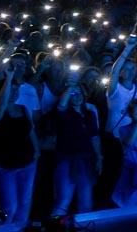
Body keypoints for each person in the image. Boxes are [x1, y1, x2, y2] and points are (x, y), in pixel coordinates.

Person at [0, 67, 40, 232]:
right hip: (5, 166)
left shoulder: (23, 109)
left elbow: (30, 130)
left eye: (16, 90)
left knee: (25, 203)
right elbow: (1, 104)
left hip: (27, 162)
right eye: (10, 90)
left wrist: (36, 150)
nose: (14, 93)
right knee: (9, 207)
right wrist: (9, 77)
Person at [51, 84, 101, 217]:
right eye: (73, 94)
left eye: (80, 93)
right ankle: (54, 227)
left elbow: (94, 137)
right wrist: (71, 87)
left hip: (86, 160)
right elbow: (61, 105)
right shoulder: (63, 113)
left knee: (86, 201)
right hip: (67, 160)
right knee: (64, 200)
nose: (77, 96)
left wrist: (99, 157)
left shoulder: (89, 114)